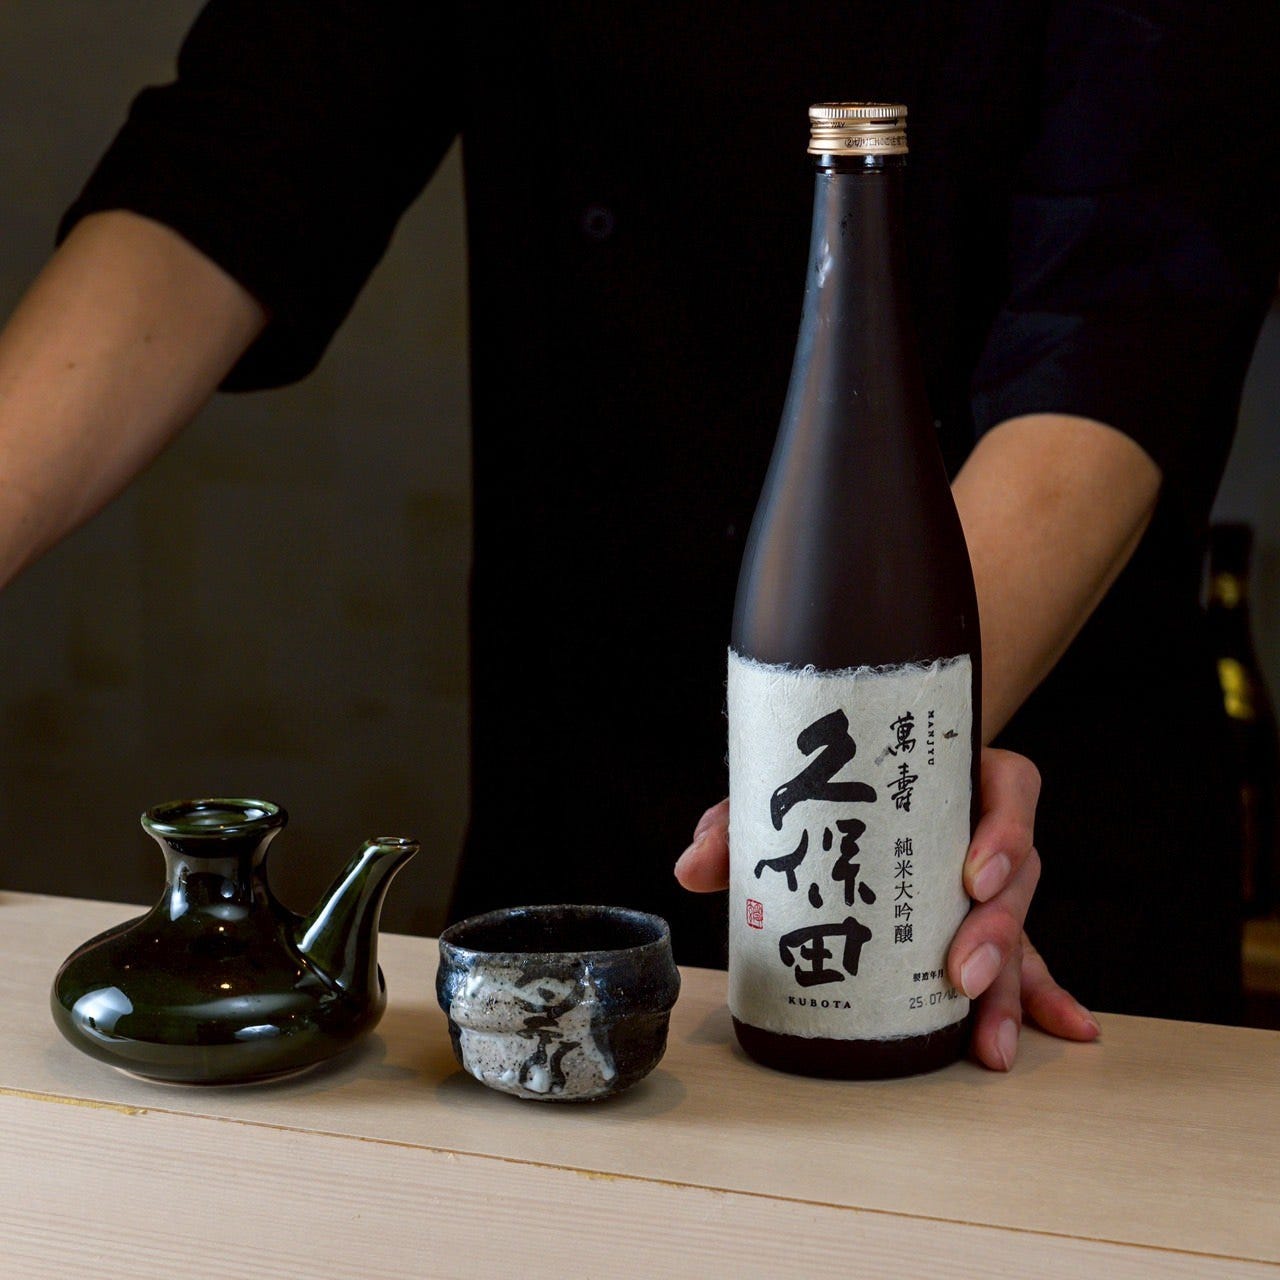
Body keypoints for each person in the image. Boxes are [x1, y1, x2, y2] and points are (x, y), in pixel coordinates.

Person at [2, 2, 1276, 1060]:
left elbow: (1115, 319)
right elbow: (235, 162)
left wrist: (890, 740)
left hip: (947, 847)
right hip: (577, 828)